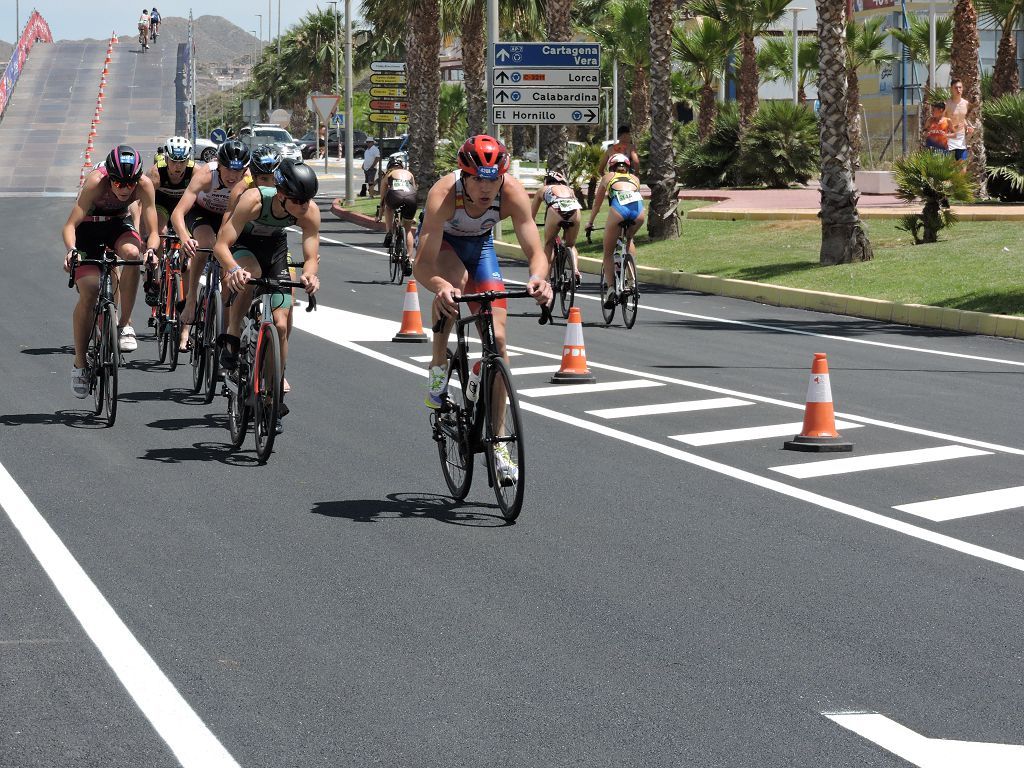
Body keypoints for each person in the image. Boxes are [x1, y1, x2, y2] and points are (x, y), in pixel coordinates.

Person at [414, 134, 552, 415]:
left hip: (480, 246)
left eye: (493, 179)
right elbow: (422, 265)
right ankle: (438, 362)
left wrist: (539, 277)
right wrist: (439, 284)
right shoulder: (444, 194)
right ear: (464, 176)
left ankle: (498, 442)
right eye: (477, 179)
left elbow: (536, 251)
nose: (486, 187)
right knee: (456, 283)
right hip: (444, 245)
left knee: (498, 342)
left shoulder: (512, 193)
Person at [214, 160, 321, 429]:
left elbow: (311, 256)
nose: (304, 206)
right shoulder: (254, 199)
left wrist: (310, 275)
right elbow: (221, 246)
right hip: (243, 246)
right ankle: (233, 332)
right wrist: (234, 269)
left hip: (275, 249)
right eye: (298, 200)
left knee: (282, 323)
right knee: (249, 276)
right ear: (281, 194)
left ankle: (273, 390)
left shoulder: (309, 211)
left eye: (308, 200)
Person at [62, 145, 159, 396]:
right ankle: (80, 363)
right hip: (88, 227)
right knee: (91, 291)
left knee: (133, 255)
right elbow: (71, 224)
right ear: (109, 177)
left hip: (116, 223)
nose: (125, 188)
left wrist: (152, 250)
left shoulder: (144, 185)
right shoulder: (96, 181)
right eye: (118, 182)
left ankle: (125, 324)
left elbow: (153, 231)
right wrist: (72, 249)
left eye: (130, 183)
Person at [171, 139, 251, 336]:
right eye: (228, 170)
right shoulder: (207, 174)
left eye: (238, 171)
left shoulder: (249, 180)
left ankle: (224, 333)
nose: (233, 176)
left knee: (228, 273)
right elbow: (178, 213)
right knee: (205, 244)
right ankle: (191, 299)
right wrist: (185, 238)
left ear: (245, 169)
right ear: (219, 165)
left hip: (230, 218)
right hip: (202, 213)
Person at [142, 136, 196, 347]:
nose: (177, 167)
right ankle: (155, 276)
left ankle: (185, 324)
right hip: (162, 206)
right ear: (166, 158)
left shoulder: (195, 172)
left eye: (182, 162)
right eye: (173, 161)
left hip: (185, 209)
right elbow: (143, 203)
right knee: (161, 230)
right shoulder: (156, 172)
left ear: (188, 160)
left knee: (189, 253)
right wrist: (144, 237)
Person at [585, 153, 645, 309]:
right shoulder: (635, 179)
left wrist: (590, 222)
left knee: (608, 252)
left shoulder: (607, 177)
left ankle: (611, 288)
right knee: (629, 239)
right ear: (627, 167)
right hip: (639, 211)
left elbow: (597, 205)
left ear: (611, 167)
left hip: (619, 208)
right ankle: (632, 282)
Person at [529, 169, 582, 285]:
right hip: (574, 210)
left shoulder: (543, 189)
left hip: (555, 209)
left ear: (546, 182)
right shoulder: (569, 189)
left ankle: (546, 277)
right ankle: (575, 271)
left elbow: (530, 216)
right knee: (571, 244)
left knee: (549, 243)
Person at [379, 154, 417, 276]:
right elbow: (414, 191)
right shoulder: (409, 174)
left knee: (389, 208)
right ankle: (408, 259)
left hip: (395, 197)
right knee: (408, 229)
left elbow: (382, 198)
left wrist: (380, 215)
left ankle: (389, 232)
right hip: (411, 198)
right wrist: (413, 216)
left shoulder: (388, 175)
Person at [944, 78, 974, 163]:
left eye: (960, 87)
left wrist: (968, 127)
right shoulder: (947, 104)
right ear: (951, 89)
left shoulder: (966, 103)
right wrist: (952, 127)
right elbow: (941, 121)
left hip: (960, 137)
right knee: (947, 167)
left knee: (962, 166)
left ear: (963, 88)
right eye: (956, 88)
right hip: (949, 137)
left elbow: (963, 118)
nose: (958, 90)